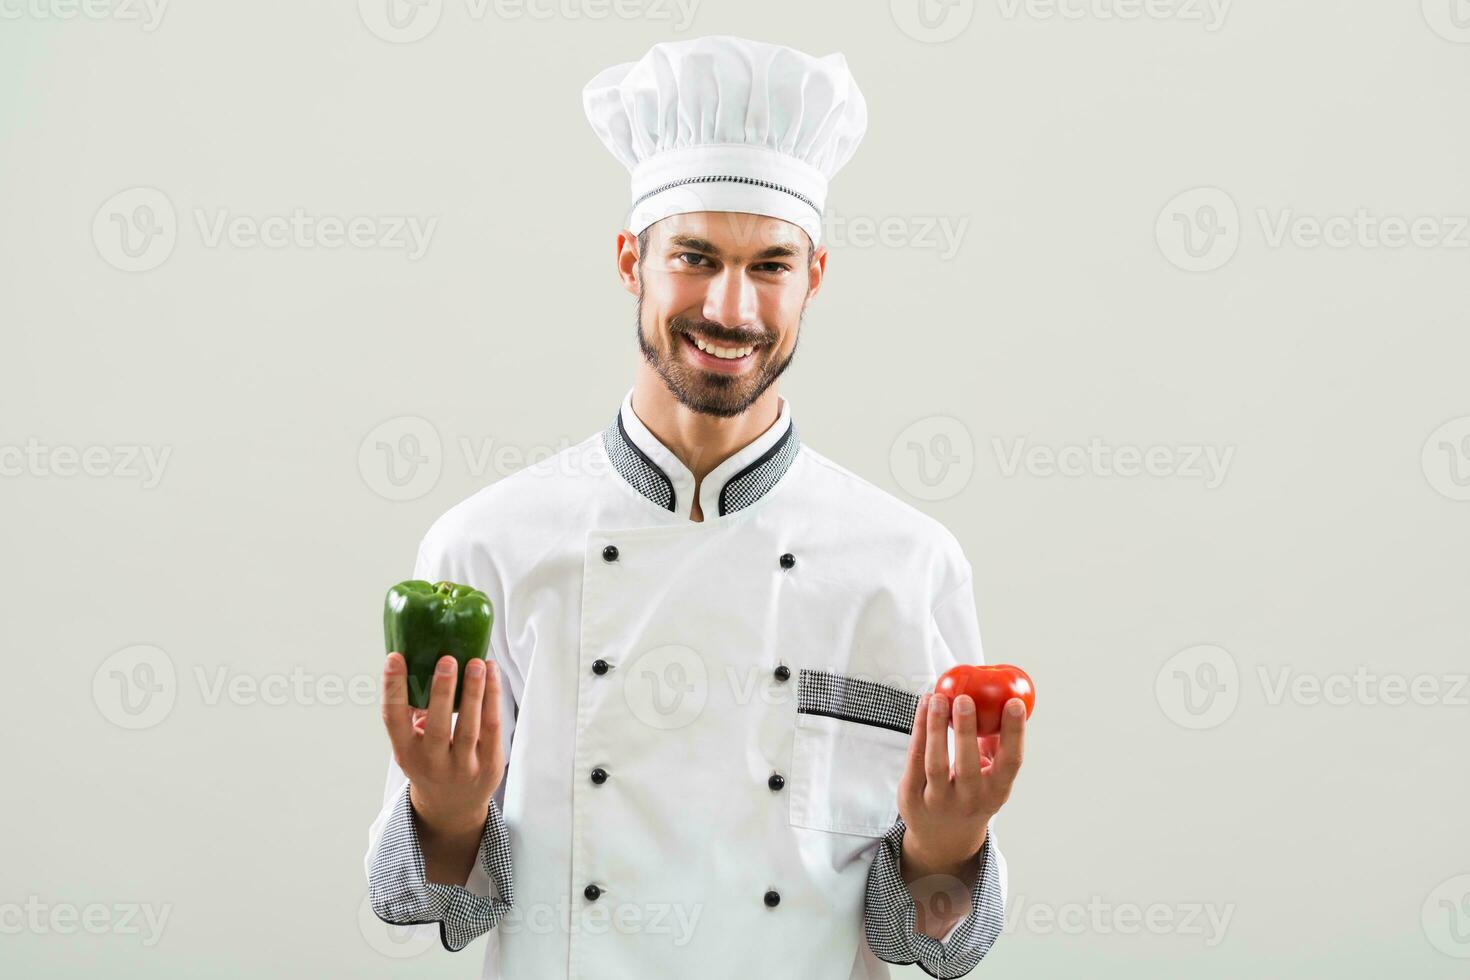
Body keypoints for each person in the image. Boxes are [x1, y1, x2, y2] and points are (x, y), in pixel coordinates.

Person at [365, 34, 1026, 980]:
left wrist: (947, 848)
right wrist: (447, 812)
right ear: (630, 259)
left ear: (816, 277)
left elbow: (922, 936)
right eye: (695, 256)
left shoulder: (906, 563)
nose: (731, 307)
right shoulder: (488, 545)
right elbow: (428, 907)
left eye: (769, 266)